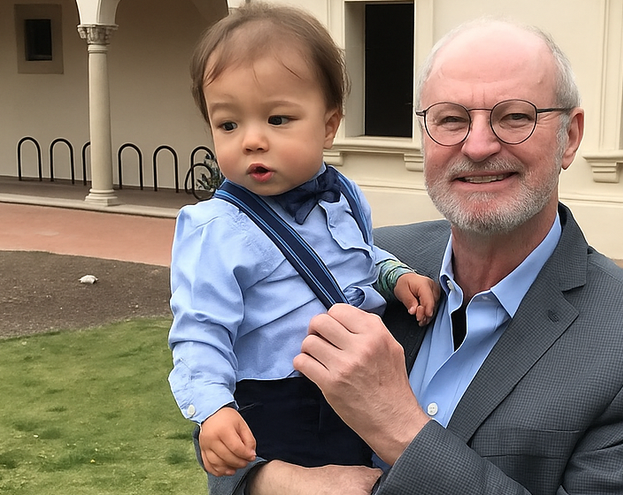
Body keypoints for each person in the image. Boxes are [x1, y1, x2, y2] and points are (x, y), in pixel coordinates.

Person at [215, 16, 623, 495]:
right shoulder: (364, 265)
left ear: (569, 137)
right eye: (450, 119)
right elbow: (233, 423)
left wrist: (401, 429)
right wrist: (281, 483)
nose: (479, 145)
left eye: (515, 117)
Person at [166, 2, 439, 490]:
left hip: (352, 388)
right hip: (276, 404)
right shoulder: (215, 229)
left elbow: (356, 258)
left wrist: (394, 275)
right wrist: (213, 408)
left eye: (277, 118)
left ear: (329, 125)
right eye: (228, 124)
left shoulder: (342, 195)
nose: (252, 140)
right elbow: (199, 330)